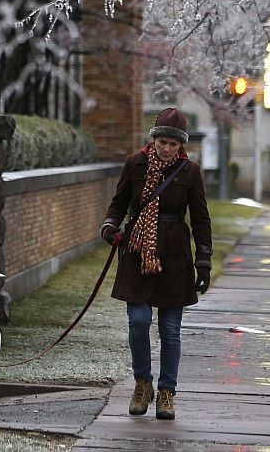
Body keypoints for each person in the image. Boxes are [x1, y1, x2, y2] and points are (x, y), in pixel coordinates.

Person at [100, 107, 213, 421]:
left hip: (175, 258)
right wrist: (110, 227)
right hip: (136, 253)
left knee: (170, 329)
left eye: (173, 144)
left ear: (181, 146)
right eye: (162, 142)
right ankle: (142, 382)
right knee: (138, 321)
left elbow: (201, 219)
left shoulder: (190, 172)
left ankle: (166, 392)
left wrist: (203, 261)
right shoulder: (134, 164)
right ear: (154, 139)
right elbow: (119, 202)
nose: (167, 149)